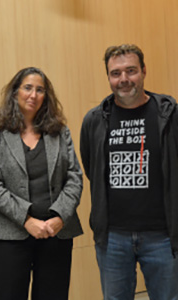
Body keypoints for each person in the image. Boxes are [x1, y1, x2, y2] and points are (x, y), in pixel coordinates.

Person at [80, 44, 178, 300]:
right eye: (116, 73)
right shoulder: (94, 120)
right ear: (109, 77)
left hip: (163, 236)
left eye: (131, 71)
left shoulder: (169, 114)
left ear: (144, 71)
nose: (123, 79)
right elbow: (92, 168)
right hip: (113, 236)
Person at [0, 67, 83, 300]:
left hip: (55, 233)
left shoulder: (60, 132)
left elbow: (74, 178)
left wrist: (59, 217)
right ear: (15, 92)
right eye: (28, 88)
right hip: (10, 234)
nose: (33, 95)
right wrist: (27, 221)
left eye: (40, 90)